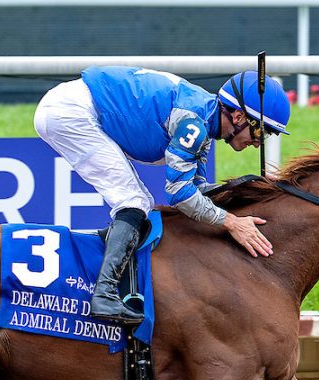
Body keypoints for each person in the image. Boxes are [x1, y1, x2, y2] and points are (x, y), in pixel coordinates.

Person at [34, 66, 291, 325]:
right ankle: (104, 294)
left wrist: (247, 188)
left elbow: (198, 190)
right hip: (71, 112)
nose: (259, 143)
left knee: (138, 203)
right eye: (261, 131)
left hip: (73, 106)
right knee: (134, 203)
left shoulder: (204, 120)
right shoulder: (195, 124)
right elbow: (179, 194)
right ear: (237, 116)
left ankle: (108, 281)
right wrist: (232, 222)